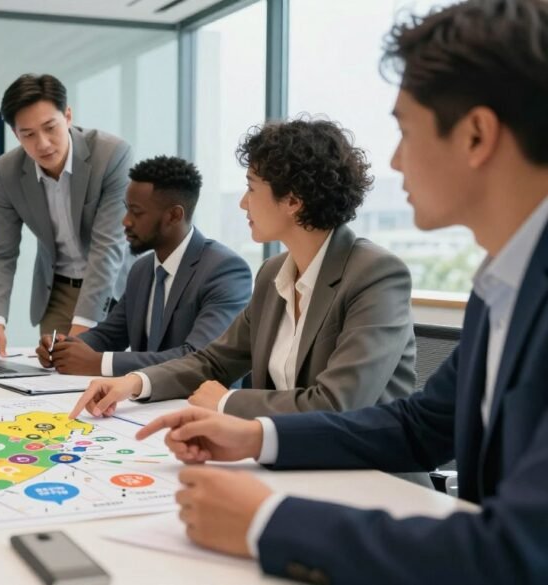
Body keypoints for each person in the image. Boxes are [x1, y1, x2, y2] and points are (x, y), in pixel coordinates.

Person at [135, 1, 548, 582]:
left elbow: (522, 551)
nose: (397, 161)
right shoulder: (501, 283)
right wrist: (257, 435)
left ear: (477, 134)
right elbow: (418, 427)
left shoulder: (400, 272)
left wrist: (268, 522)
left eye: (405, 131)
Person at [71, 118, 416, 420]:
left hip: (368, 477)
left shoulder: (376, 275)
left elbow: (339, 404)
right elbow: (214, 361)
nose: (242, 202)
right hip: (288, 462)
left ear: (293, 201)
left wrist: (228, 402)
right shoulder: (273, 274)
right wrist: (134, 382)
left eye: (251, 188)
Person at [35, 155, 251, 376]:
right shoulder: (142, 269)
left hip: (198, 403)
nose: (125, 221)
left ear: (174, 216)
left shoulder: (225, 270)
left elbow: (198, 357)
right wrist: (63, 347)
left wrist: (101, 364)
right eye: (126, 209)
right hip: (142, 402)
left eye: (136, 212)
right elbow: (110, 335)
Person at [0, 73, 133, 357]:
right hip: (58, 289)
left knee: (101, 371)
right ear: (15, 134)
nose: (42, 143)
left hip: (116, 285)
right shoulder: (7, 171)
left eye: (50, 128)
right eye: (28, 134)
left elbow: (108, 246)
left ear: (67, 116)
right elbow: (0, 252)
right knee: (55, 374)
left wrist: (82, 328)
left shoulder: (110, 154)